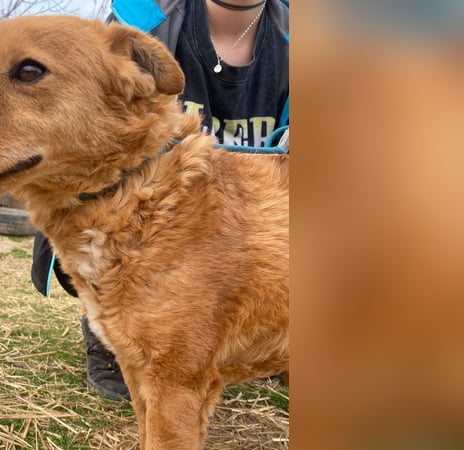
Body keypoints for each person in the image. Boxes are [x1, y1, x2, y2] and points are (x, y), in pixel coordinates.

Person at [31, 0, 289, 400]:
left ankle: (262, 325)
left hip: (252, 205)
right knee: (109, 220)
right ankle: (113, 334)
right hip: (152, 195)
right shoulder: (143, 18)